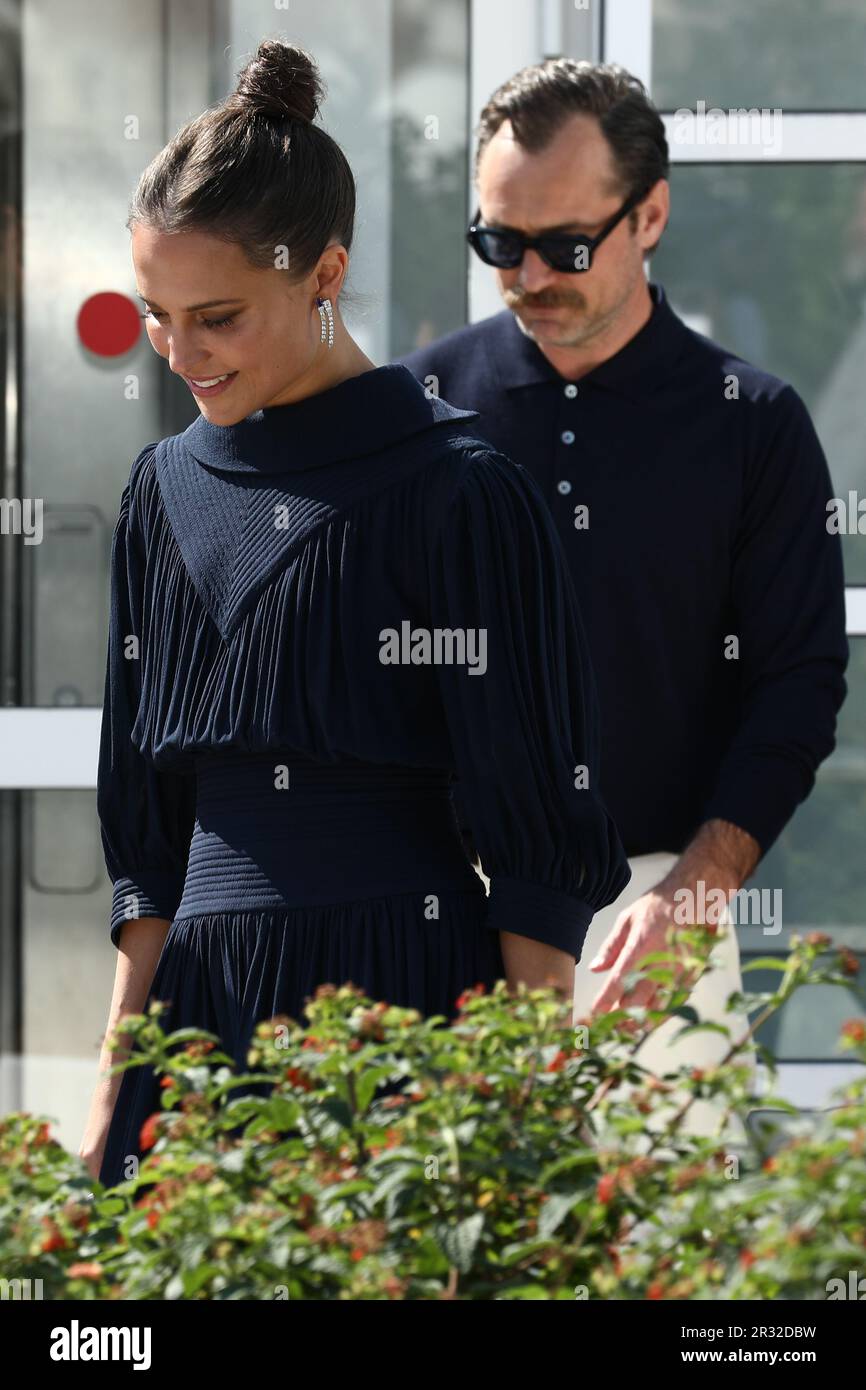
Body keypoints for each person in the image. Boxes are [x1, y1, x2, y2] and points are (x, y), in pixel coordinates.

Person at [80, 41, 631, 1187]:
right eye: (156, 314)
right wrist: (110, 1087)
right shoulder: (155, 493)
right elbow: (148, 839)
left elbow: (533, 846)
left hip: (398, 1011)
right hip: (191, 1033)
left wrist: (527, 1130)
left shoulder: (460, 490)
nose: (180, 353)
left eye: (216, 316)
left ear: (323, 274)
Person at [397, 60, 848, 1115]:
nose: (529, 278)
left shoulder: (753, 425)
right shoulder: (412, 415)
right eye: (498, 245)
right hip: (438, 922)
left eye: (564, 246)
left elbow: (795, 687)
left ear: (650, 214)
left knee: (664, 1271)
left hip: (656, 923)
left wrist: (690, 899)